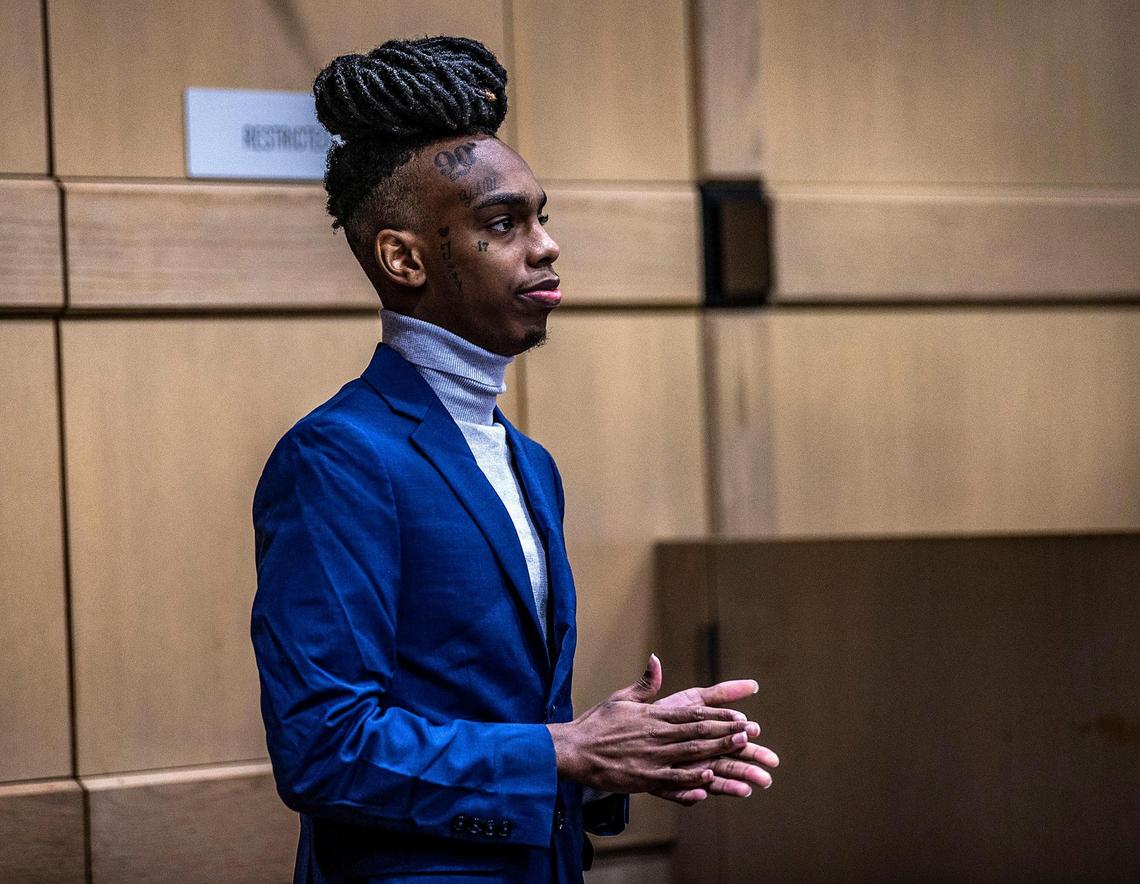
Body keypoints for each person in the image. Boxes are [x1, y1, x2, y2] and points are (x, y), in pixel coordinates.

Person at [251, 36, 779, 883]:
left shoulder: (530, 464)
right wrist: (565, 750)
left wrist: (613, 758)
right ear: (404, 258)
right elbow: (323, 747)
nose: (546, 246)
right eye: (504, 224)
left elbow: (517, 727)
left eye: (542, 217)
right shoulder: (338, 457)